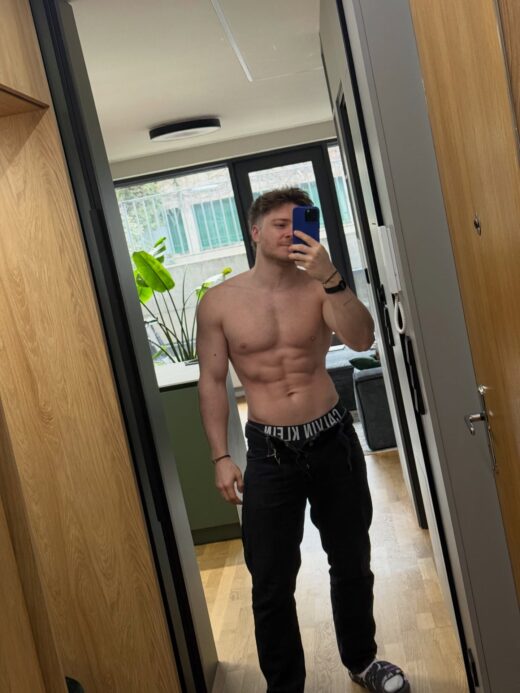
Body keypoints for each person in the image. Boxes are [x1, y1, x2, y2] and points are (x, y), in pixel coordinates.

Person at [196, 187, 410, 693]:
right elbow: (212, 381)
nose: (291, 233)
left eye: (300, 223)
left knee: (351, 559)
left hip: (332, 440)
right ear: (254, 231)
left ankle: (363, 662)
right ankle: (284, 685)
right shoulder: (220, 302)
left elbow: (362, 338)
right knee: (271, 580)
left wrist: (331, 276)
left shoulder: (320, 288)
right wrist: (221, 456)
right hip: (269, 452)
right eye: (280, 224)